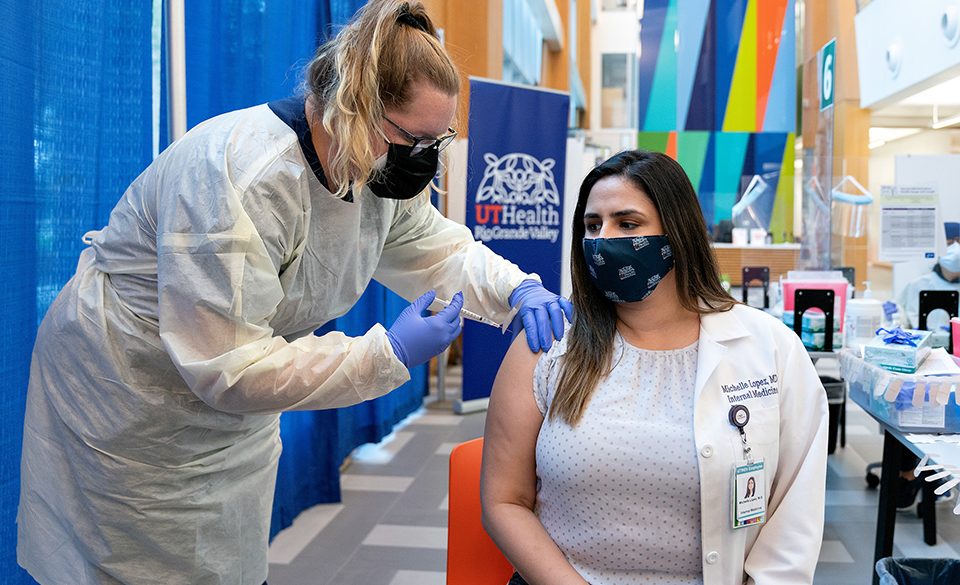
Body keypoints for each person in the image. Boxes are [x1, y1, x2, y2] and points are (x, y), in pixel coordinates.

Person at [17, 2, 572, 583]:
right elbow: (229, 366)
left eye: (441, 141)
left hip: (234, 401)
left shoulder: (372, 166)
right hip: (131, 394)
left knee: (229, 558)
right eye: (416, 139)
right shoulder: (240, 175)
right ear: (354, 109)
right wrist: (388, 353)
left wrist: (518, 289)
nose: (426, 160)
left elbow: (436, 246)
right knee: (131, 563)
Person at [480, 150, 828, 585]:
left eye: (627, 224)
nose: (602, 240)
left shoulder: (770, 348)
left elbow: (794, 511)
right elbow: (504, 501)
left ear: (677, 234)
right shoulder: (548, 344)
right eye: (592, 226)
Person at [885, 221, 960, 330]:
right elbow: (900, 323)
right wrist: (895, 318)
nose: (956, 250)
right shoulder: (919, 285)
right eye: (949, 243)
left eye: (959, 242)